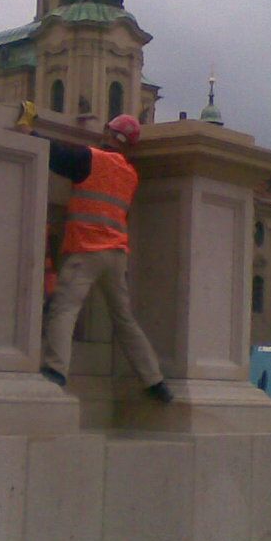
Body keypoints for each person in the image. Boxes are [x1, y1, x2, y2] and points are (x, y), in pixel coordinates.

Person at [16, 105, 173, 403]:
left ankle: (55, 370)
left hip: (86, 250)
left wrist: (27, 128)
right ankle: (154, 380)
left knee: (64, 309)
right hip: (116, 254)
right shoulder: (130, 174)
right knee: (124, 319)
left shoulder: (90, 158)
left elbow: (55, 154)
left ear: (107, 133)